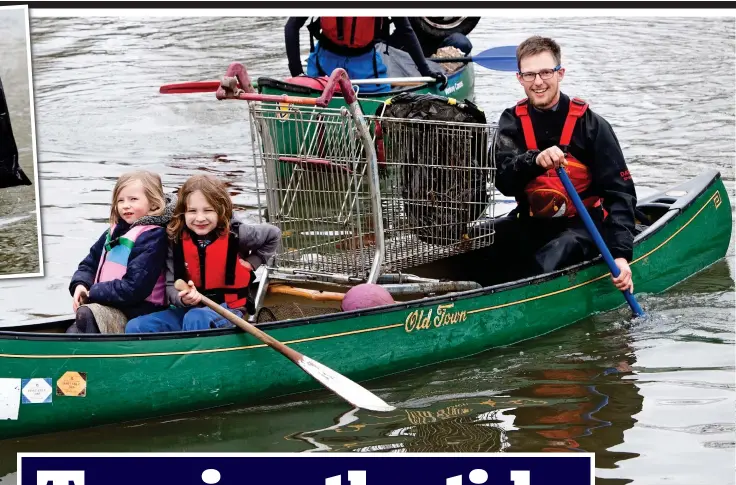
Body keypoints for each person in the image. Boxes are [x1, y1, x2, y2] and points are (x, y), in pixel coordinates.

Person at [494, 36, 637, 293]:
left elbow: (620, 195)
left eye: (545, 72)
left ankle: (521, 297)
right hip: (531, 223)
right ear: (519, 78)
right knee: (482, 239)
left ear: (560, 74)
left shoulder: (592, 126)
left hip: (585, 227)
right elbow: (504, 182)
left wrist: (621, 256)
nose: (538, 82)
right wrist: (534, 160)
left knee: (560, 249)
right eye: (529, 75)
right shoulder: (511, 121)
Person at [125, 174, 281, 333]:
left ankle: (198, 356)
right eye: (192, 211)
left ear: (221, 211)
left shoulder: (238, 233)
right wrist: (182, 298)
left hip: (229, 309)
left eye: (208, 210)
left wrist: (253, 261)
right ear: (182, 212)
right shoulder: (175, 239)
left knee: (196, 318)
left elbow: (273, 235)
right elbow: (171, 287)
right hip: (190, 310)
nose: (200, 218)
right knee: (136, 326)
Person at [67, 171, 173, 334]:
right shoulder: (113, 232)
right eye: (120, 200)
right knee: (75, 328)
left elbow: (135, 288)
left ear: (153, 203)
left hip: (141, 311)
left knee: (85, 315)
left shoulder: (153, 237)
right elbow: (89, 264)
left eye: (133, 199)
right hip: (110, 303)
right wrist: (81, 284)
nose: (125, 205)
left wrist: (93, 292)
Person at [284, 17, 448, 93]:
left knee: (385, 109)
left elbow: (406, 31)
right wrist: (297, 73)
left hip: (366, 67)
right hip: (324, 66)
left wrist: (426, 72)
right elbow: (291, 26)